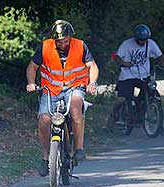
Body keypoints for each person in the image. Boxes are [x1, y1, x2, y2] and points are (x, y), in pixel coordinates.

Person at [26, 20, 99, 176]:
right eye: (59, 41)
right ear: (54, 39)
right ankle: (46, 159)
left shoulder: (80, 46)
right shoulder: (45, 47)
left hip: (75, 86)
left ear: (70, 37)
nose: (63, 44)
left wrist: (92, 83)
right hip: (51, 89)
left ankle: (78, 149)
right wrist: (31, 83)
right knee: (43, 120)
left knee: (75, 107)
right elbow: (32, 67)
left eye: (65, 41)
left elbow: (92, 66)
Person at [113, 24, 164, 124]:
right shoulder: (127, 44)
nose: (143, 42)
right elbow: (117, 57)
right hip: (128, 75)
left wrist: (162, 62)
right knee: (122, 98)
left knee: (153, 93)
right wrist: (123, 63)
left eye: (145, 40)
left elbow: (160, 56)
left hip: (143, 75)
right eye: (141, 40)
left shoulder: (150, 44)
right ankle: (112, 121)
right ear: (136, 38)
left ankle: (157, 121)